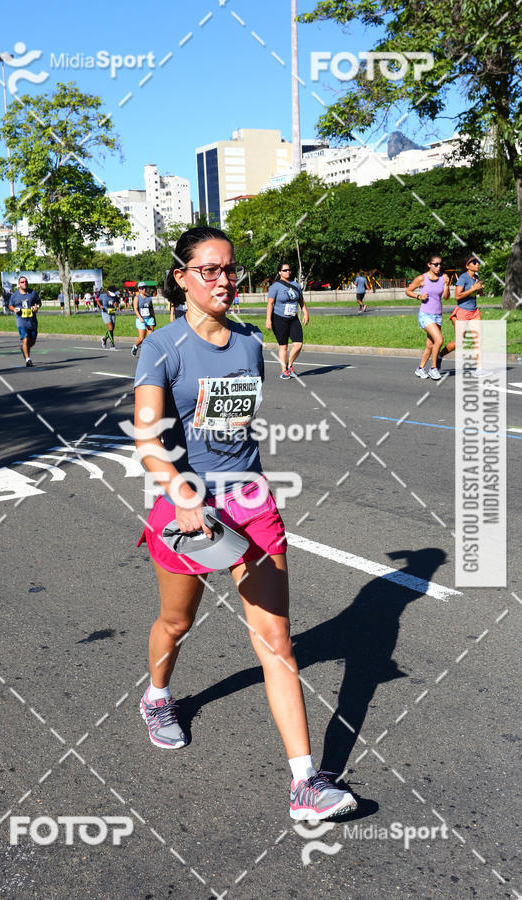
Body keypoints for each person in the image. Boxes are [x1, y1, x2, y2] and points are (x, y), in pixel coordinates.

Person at [134, 226, 357, 822]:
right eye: (210, 270)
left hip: (251, 502)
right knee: (177, 621)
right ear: (181, 277)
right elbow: (148, 437)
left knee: (277, 640)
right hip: (188, 509)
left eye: (231, 269)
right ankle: (158, 697)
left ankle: (305, 784)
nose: (225, 280)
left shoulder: (252, 343)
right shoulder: (160, 346)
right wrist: (182, 492)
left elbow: (235, 430)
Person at [437, 256, 490, 377]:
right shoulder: (463, 278)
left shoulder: (476, 278)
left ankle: (479, 369)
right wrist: (473, 289)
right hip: (462, 312)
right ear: (467, 266)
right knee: (459, 342)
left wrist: (480, 290)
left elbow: (477, 293)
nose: (477, 264)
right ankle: (440, 355)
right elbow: (457, 296)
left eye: (478, 262)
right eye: (474, 262)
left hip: (474, 312)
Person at [405, 253, 450, 381]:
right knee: (439, 340)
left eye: (440, 264)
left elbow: (446, 297)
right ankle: (433, 368)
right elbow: (408, 291)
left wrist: (446, 284)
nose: (438, 266)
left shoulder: (443, 277)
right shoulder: (422, 278)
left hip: (438, 315)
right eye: (435, 264)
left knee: (430, 345)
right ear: (429, 265)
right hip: (425, 314)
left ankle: (420, 368)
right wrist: (419, 297)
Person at [266, 262, 309, 379]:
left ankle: (290, 365)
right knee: (283, 346)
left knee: (298, 344)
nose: (288, 272)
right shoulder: (275, 287)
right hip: (279, 318)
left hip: (293, 318)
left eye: (289, 270)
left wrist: (305, 313)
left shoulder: (296, 285)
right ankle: (284, 370)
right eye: (285, 270)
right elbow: (270, 304)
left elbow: (301, 301)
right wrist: (268, 320)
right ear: (279, 272)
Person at [8, 277, 41, 367]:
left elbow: (38, 302)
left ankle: (24, 348)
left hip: (32, 321)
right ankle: (28, 360)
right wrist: (14, 309)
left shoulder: (32, 293)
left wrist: (36, 307)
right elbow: (10, 306)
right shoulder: (15, 295)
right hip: (21, 321)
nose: (24, 283)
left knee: (32, 341)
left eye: (26, 281)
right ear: (19, 283)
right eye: (22, 282)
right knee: (25, 338)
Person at [131, 282, 157, 356]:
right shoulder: (137, 298)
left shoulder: (149, 298)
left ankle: (147, 353)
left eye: (145, 287)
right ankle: (135, 346)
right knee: (142, 338)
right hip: (141, 319)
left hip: (149, 318)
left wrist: (154, 319)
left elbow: (151, 309)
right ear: (139, 289)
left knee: (150, 337)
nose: (144, 289)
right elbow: (135, 309)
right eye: (142, 288)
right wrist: (140, 317)